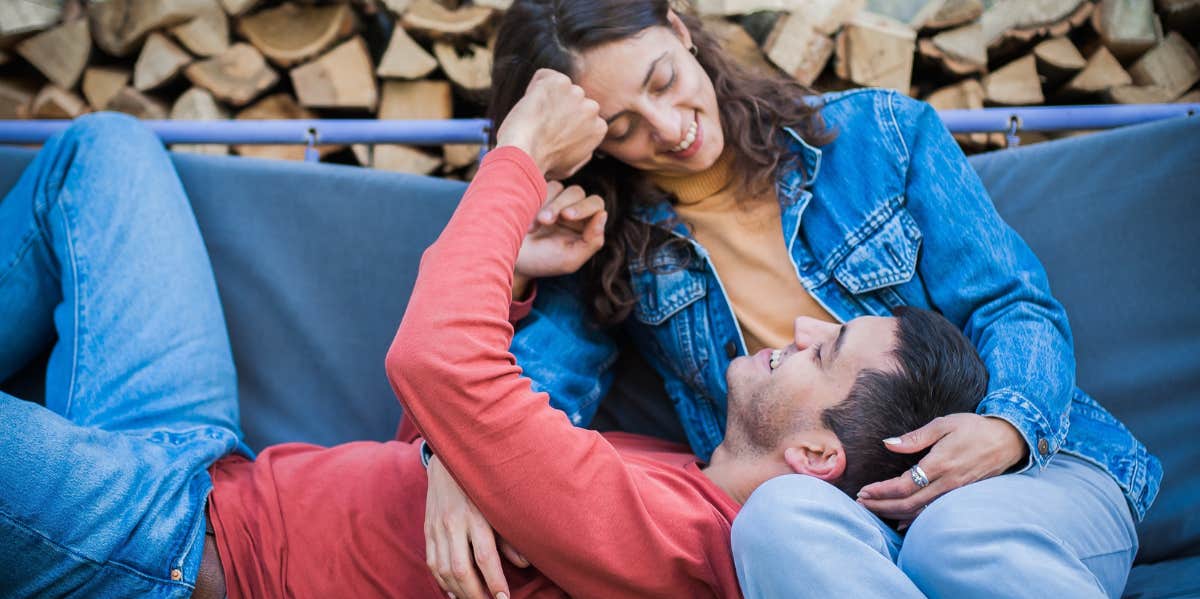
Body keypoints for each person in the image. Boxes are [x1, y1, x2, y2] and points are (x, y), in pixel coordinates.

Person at [0, 89, 987, 596]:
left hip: (162, 548)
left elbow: (433, 360)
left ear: (816, 456)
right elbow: (416, 438)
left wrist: (516, 153)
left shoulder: (681, 542)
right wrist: (513, 274)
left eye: (827, 350)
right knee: (105, 149)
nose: (804, 326)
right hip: (200, 462)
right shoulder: (670, 475)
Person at [418, 1, 1162, 598]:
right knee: (765, 524)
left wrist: (1008, 425)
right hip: (836, 514)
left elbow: (1013, 305)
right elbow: (530, 386)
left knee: (957, 533)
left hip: (1032, 467)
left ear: (681, 30)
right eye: (623, 128)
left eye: (664, 81)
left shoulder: (878, 134)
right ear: (590, 144)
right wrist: (452, 465)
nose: (671, 130)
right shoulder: (607, 240)